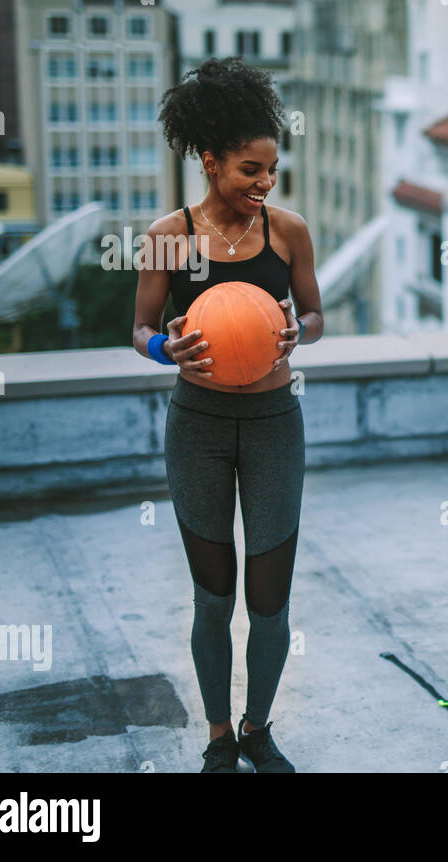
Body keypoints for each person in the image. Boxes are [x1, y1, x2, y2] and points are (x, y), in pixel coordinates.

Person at [131, 57, 323, 773]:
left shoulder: (289, 232)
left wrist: (300, 329)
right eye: (249, 170)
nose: (264, 184)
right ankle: (218, 736)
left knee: (269, 602)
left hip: (275, 422)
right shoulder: (167, 235)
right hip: (199, 427)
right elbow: (139, 327)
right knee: (212, 599)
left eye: (271, 170)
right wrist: (164, 347)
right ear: (210, 162)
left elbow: (316, 314)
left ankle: (257, 727)